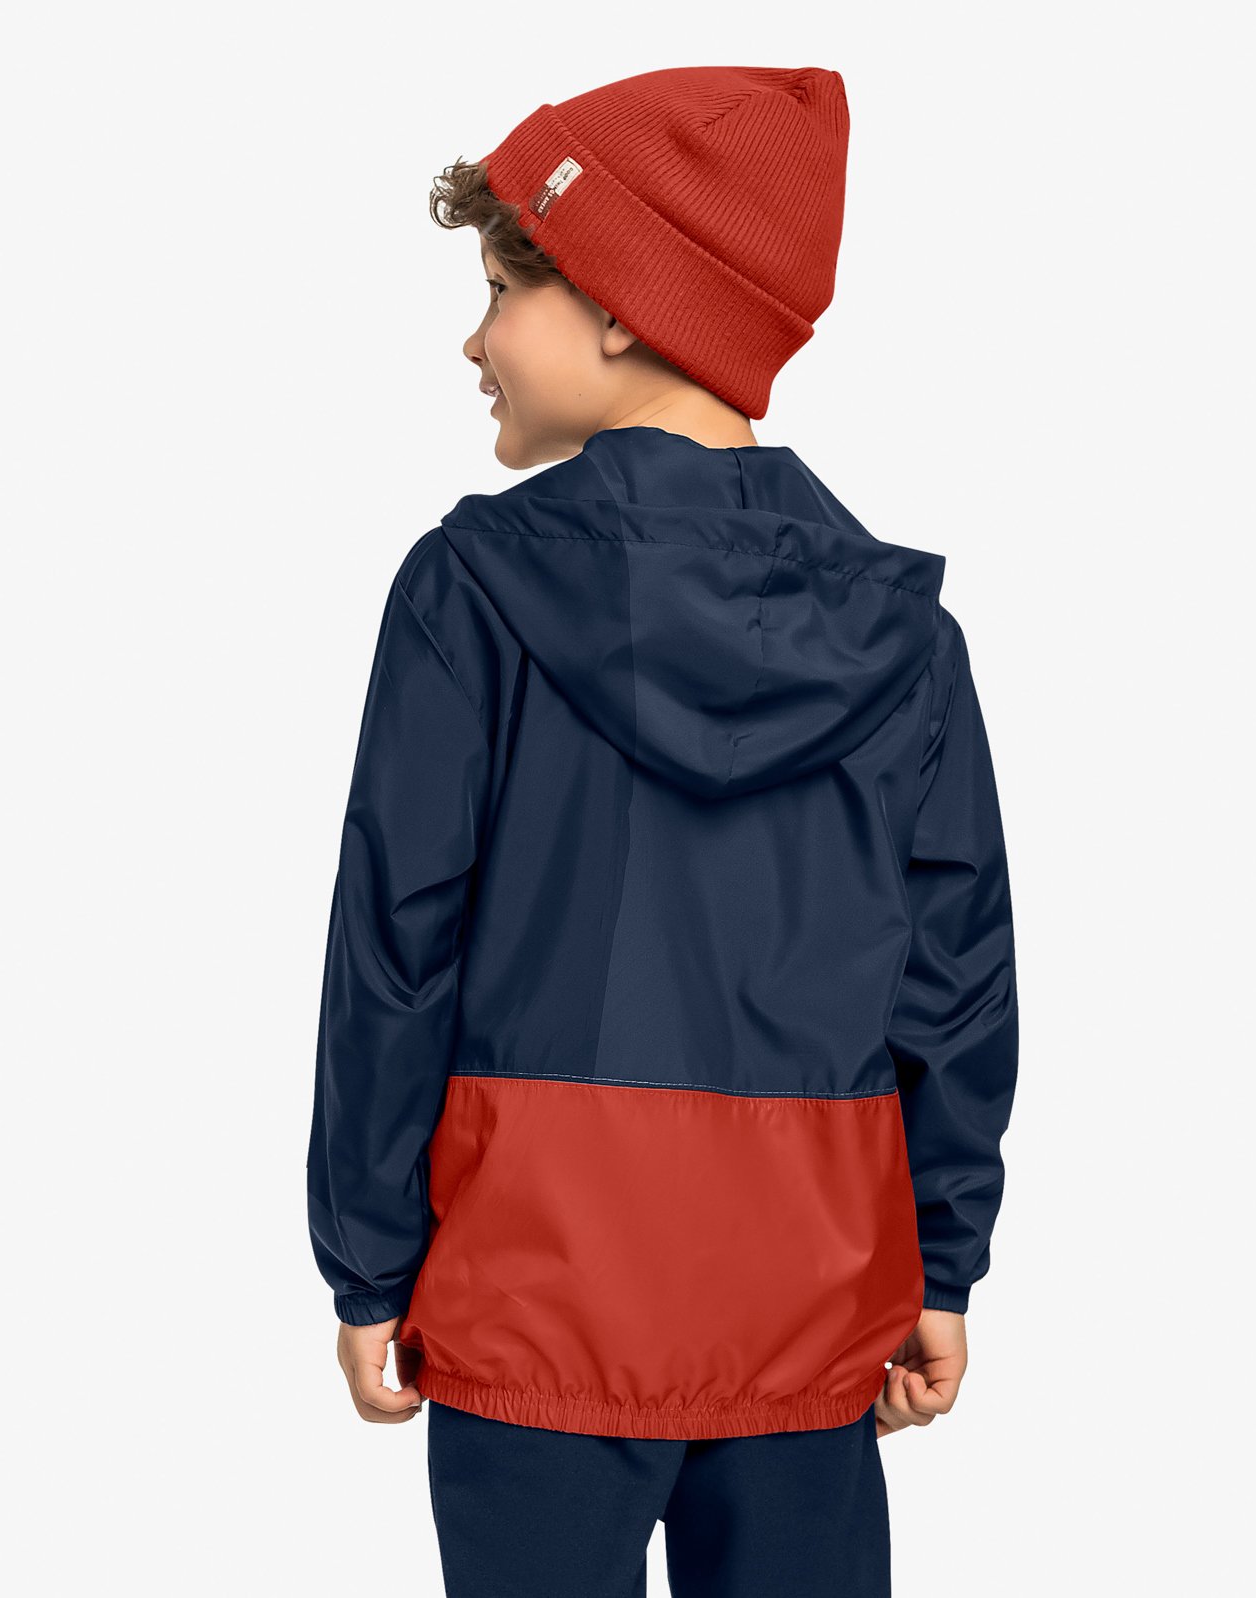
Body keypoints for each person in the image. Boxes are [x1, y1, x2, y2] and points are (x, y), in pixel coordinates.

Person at [303, 64, 1020, 1598]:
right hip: (807, 1306)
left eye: (503, 289)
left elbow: (396, 946)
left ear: (624, 308)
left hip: (533, 1303)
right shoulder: (902, 638)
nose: (476, 340)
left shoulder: (468, 592)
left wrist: (367, 1259)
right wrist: (941, 1257)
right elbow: (954, 980)